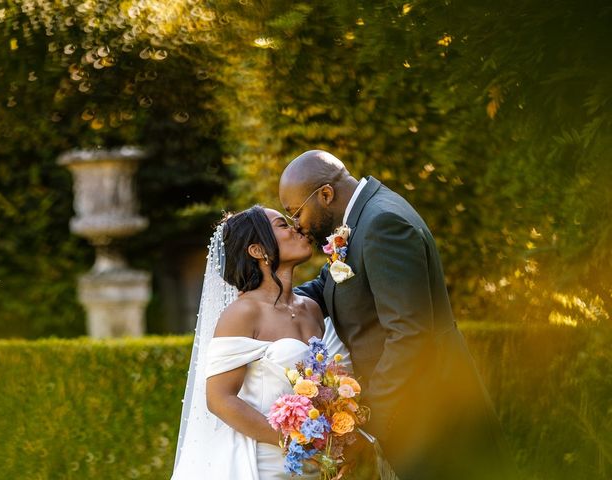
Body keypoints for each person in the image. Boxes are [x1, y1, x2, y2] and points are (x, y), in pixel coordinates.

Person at [281, 150, 511, 480]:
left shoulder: (382, 224)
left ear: (326, 195)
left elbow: (409, 335)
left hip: (434, 422)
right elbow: (328, 285)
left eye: (296, 213)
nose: (298, 227)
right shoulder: (361, 220)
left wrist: (367, 421)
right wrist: (271, 300)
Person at [171, 206, 352, 479]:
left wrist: (331, 444)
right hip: (265, 464)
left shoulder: (312, 308)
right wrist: (294, 444)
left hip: (316, 465)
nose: (298, 228)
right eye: (282, 225)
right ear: (257, 251)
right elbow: (219, 399)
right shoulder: (243, 312)